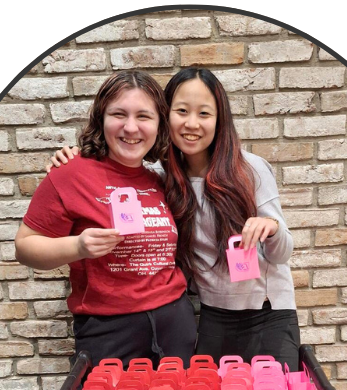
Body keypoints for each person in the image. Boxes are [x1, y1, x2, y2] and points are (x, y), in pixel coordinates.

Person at [49, 67, 300, 371]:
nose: (192, 123)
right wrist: (77, 156)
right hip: (212, 316)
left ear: (220, 120)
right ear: (165, 117)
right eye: (181, 111)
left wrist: (271, 229)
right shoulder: (161, 179)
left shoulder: (251, 170)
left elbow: (283, 252)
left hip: (268, 313)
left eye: (204, 113)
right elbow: (111, 169)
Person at [15, 70, 197, 370]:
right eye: (118, 114)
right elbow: (24, 248)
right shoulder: (70, 174)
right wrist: (78, 246)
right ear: (101, 118)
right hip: (109, 331)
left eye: (144, 116)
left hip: (175, 321)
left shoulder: (162, 179)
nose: (131, 127)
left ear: (159, 125)